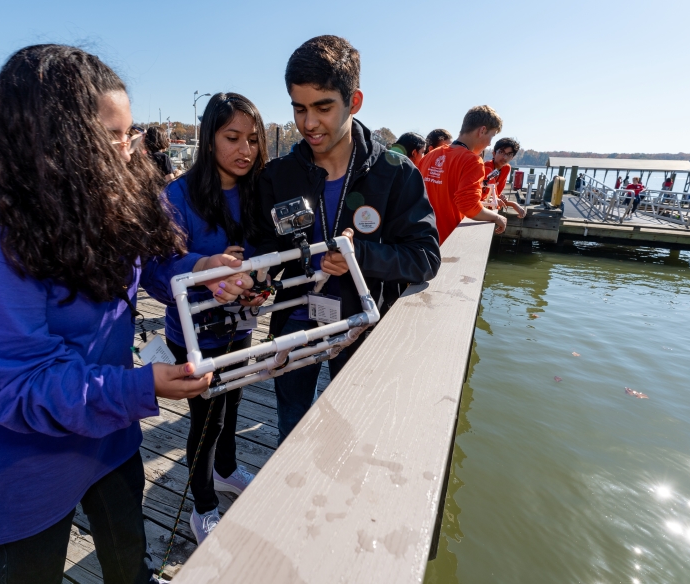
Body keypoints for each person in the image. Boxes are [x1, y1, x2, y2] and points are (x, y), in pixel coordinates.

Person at [0, 45, 212, 584]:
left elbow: (144, 261)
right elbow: (16, 384)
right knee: (33, 565)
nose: (128, 153)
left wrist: (204, 272)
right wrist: (138, 388)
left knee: (129, 548)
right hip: (19, 445)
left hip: (106, 415)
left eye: (130, 134)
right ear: (51, 143)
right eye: (110, 139)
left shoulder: (93, 195)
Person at [253, 35, 441, 443]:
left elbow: (425, 257)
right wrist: (250, 275)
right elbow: (263, 247)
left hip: (363, 329)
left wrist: (362, 256)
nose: (308, 123)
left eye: (323, 107)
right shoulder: (279, 175)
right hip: (295, 325)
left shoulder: (397, 172)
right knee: (291, 427)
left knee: (354, 432)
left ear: (354, 102)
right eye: (299, 109)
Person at [140, 92, 267, 544]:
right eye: (232, 137)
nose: (245, 150)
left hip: (244, 323)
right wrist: (199, 265)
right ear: (207, 138)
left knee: (233, 403)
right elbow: (152, 270)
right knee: (206, 418)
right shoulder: (176, 195)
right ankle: (203, 506)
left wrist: (260, 287)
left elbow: (265, 258)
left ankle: (228, 470)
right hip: (195, 333)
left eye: (253, 139)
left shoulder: (259, 191)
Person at [418, 105, 508, 243]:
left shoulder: (431, 155)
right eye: (492, 135)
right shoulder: (473, 161)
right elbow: (469, 206)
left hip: (420, 239)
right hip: (446, 242)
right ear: (482, 130)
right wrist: (496, 217)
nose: (490, 143)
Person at [481, 137, 525, 217]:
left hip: (489, 210)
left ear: (512, 157)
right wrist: (512, 204)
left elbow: (495, 196)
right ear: (494, 153)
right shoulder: (486, 168)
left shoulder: (506, 168)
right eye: (501, 152)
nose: (505, 157)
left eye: (509, 154)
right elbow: (483, 198)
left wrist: (500, 197)